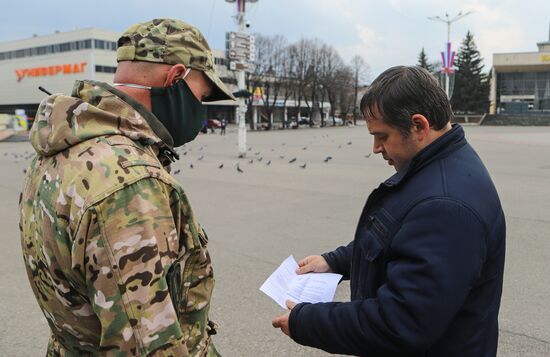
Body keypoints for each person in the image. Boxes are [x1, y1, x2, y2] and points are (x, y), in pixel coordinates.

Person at [19, 18, 234, 356]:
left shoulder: (60, 149)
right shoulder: (129, 184)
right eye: (201, 95)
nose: (199, 108)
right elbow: (145, 344)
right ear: (176, 77)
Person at [272, 66, 506, 356]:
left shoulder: (446, 206)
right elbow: (396, 237)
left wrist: (306, 321)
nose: (375, 148)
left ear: (419, 126)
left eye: (382, 136)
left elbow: (400, 323)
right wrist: (334, 262)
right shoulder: (438, 165)